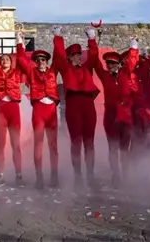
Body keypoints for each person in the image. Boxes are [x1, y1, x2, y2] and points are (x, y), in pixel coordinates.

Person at [51, 25, 101, 189]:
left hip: (88, 104)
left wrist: (92, 39)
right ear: (70, 57)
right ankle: (78, 174)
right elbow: (58, 56)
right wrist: (58, 38)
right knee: (76, 141)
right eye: (77, 55)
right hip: (73, 104)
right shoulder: (65, 68)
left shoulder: (87, 68)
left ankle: (91, 174)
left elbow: (93, 56)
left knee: (89, 141)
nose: (80, 56)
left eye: (80, 54)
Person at [15, 31, 59, 189]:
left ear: (47, 61)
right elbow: (20, 59)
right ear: (35, 62)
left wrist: (57, 38)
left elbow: (59, 56)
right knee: (38, 144)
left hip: (52, 110)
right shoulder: (31, 72)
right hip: (39, 110)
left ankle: (54, 176)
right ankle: (39, 176)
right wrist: (19, 41)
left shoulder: (53, 72)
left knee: (53, 145)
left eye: (43, 59)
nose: (41, 62)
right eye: (38, 60)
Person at [0, 33, 25, 187]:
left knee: (16, 144)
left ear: (11, 62)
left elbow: (22, 61)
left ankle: (19, 174)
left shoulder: (17, 73)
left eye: (7, 59)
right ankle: (0, 174)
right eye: (2, 60)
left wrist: (19, 42)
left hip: (13, 109)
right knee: (0, 143)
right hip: (0, 109)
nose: (5, 62)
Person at [92, 48, 137, 186]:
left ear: (118, 64)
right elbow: (96, 63)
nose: (109, 66)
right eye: (108, 63)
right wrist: (92, 41)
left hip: (126, 117)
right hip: (111, 118)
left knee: (125, 147)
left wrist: (133, 47)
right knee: (113, 148)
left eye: (112, 63)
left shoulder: (125, 74)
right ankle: (116, 174)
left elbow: (132, 62)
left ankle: (126, 173)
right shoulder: (105, 76)